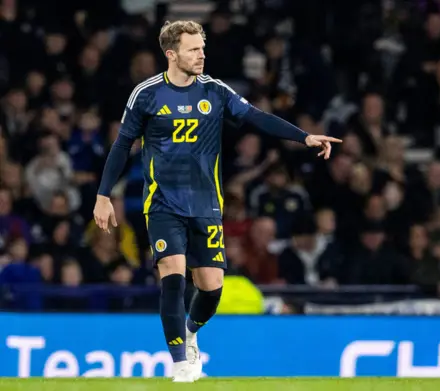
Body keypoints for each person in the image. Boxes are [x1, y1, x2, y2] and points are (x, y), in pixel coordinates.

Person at [92, 20, 341, 382]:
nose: (201, 55)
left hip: (206, 204)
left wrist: (302, 138)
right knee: (173, 275)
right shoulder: (145, 94)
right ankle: (179, 363)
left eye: (202, 48)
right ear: (172, 54)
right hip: (162, 204)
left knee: (211, 287)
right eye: (193, 49)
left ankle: (191, 333)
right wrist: (102, 195)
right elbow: (121, 146)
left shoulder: (215, 91)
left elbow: (256, 117)